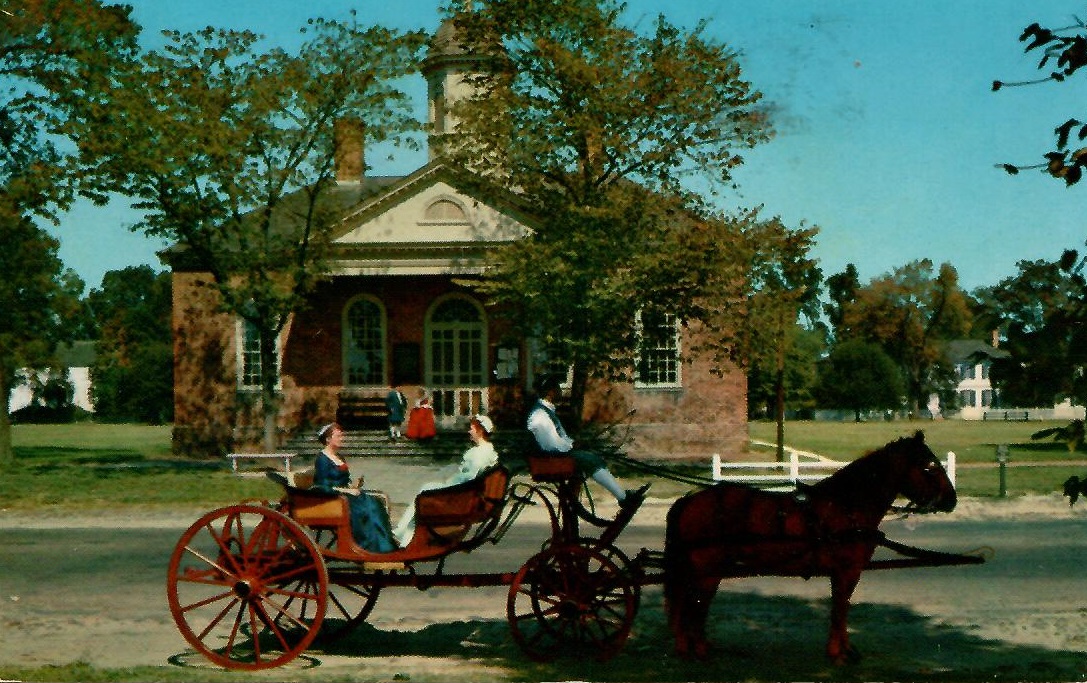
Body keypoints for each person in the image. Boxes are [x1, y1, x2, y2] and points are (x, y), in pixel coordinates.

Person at [527, 374, 648, 510]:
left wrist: (573, 443)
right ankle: (623, 498)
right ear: (550, 392)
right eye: (558, 388)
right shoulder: (539, 415)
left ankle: (621, 495)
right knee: (590, 459)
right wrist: (571, 446)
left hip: (555, 456)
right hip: (548, 460)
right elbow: (550, 444)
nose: (561, 391)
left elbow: (559, 439)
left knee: (591, 455)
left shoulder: (547, 411)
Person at [392, 414, 500, 546]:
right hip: (461, 489)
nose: (469, 432)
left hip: (459, 493)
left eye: (471, 428)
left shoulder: (479, 453)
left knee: (424, 492)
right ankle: (405, 536)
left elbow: (469, 478)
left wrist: (449, 485)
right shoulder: (487, 450)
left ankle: (401, 534)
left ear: (480, 431)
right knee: (426, 489)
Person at [311, 422, 398, 553]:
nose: (342, 438)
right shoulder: (322, 459)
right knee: (367, 509)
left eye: (342, 436)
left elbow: (343, 480)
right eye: (338, 436)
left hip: (345, 494)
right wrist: (346, 490)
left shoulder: (339, 457)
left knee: (376, 503)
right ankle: (370, 545)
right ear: (328, 439)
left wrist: (353, 486)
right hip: (332, 499)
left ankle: (384, 544)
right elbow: (323, 486)